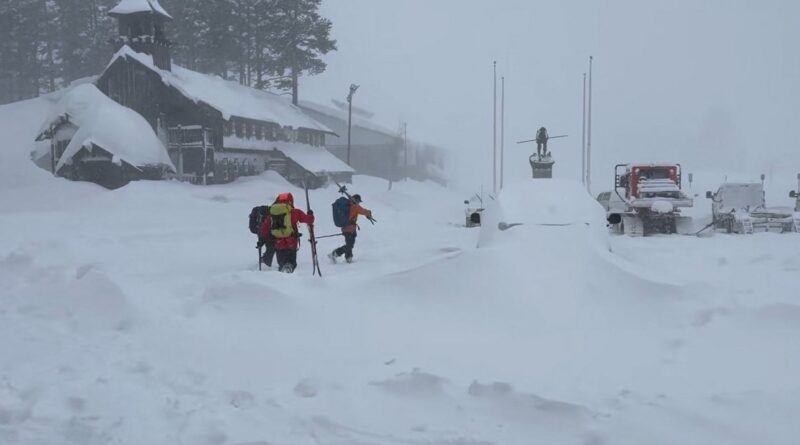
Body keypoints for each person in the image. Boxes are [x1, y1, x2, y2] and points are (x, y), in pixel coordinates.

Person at [259, 192, 315, 273]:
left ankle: (282, 278)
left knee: (281, 263)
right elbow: (309, 220)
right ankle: (288, 273)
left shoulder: (272, 213)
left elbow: (264, 228)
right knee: (291, 263)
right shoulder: (294, 212)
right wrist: (310, 214)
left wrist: (262, 239)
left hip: (278, 243)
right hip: (291, 242)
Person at [329, 194, 373, 263]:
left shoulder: (349, 204)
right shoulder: (354, 206)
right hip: (350, 229)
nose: (359, 203)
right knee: (349, 245)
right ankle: (335, 254)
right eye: (359, 201)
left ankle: (348, 257)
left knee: (349, 244)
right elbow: (363, 211)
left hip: (346, 228)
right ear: (357, 200)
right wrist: (369, 213)